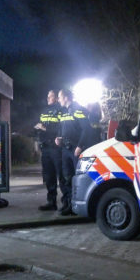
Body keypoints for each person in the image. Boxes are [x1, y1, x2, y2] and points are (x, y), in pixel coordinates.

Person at [55, 88, 96, 216]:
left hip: (75, 150)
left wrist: (80, 146)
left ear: (66, 97)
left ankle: (75, 206)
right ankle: (68, 204)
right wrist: (59, 137)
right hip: (65, 149)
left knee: (76, 178)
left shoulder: (78, 109)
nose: (59, 99)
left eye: (60, 97)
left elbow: (86, 130)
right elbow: (65, 129)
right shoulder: (65, 111)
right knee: (67, 177)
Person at [34, 90, 63, 211]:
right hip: (45, 147)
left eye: (50, 96)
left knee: (62, 176)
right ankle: (51, 202)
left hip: (56, 148)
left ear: (56, 98)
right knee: (49, 176)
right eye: (47, 96)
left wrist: (44, 128)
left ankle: (67, 203)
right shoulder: (44, 110)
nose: (48, 98)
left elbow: (61, 128)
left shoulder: (61, 110)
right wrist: (38, 129)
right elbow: (38, 125)